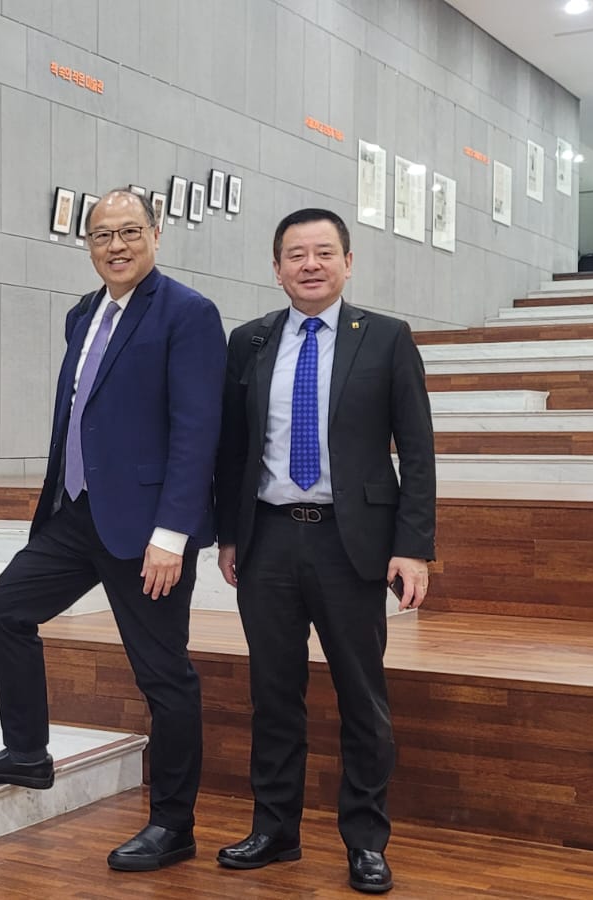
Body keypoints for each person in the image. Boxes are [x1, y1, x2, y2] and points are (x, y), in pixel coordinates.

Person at [0, 190, 226, 873]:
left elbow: (197, 431)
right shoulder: (82, 314)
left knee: (164, 677)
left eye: (130, 231)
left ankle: (173, 824)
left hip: (146, 530)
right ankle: (27, 752)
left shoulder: (188, 314)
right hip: (75, 515)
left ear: (155, 235)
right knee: (4, 608)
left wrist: (173, 533)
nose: (117, 245)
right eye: (103, 235)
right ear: (88, 245)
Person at [213, 208, 435, 895]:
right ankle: (274, 829)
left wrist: (413, 546)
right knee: (273, 695)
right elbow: (232, 449)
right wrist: (228, 533)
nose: (309, 264)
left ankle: (365, 840)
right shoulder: (248, 341)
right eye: (295, 254)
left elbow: (418, 449)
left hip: (353, 543)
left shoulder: (388, 338)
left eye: (323, 252)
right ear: (275, 266)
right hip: (269, 537)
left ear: (347, 262)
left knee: (361, 698)